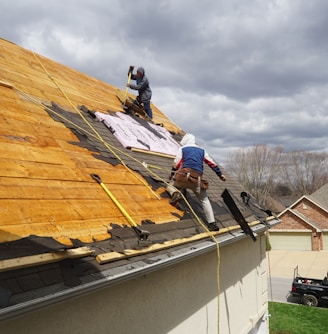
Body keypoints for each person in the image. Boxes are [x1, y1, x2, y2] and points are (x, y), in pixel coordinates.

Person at [166, 133, 226, 231]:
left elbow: (176, 163)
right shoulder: (202, 150)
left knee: (170, 186)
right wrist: (220, 175)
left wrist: (172, 176)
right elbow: (212, 164)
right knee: (204, 200)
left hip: (183, 177)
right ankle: (212, 223)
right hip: (196, 180)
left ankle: (176, 193)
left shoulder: (183, 149)